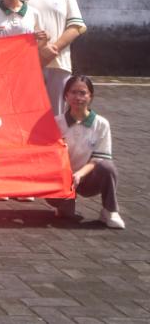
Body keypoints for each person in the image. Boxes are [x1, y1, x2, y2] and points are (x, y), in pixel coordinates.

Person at [47, 76, 124, 229]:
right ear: (66, 95)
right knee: (66, 216)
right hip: (63, 178)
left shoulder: (101, 124)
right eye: (73, 92)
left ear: (90, 96)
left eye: (83, 93)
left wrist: (79, 175)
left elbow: (98, 158)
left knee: (107, 167)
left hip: (88, 178)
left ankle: (110, 210)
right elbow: (49, 157)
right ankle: (64, 204)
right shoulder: (56, 122)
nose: (78, 97)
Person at [21, 0, 87, 115]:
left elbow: (76, 27)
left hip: (58, 63)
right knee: (27, 113)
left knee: (56, 116)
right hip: (26, 65)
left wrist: (52, 49)